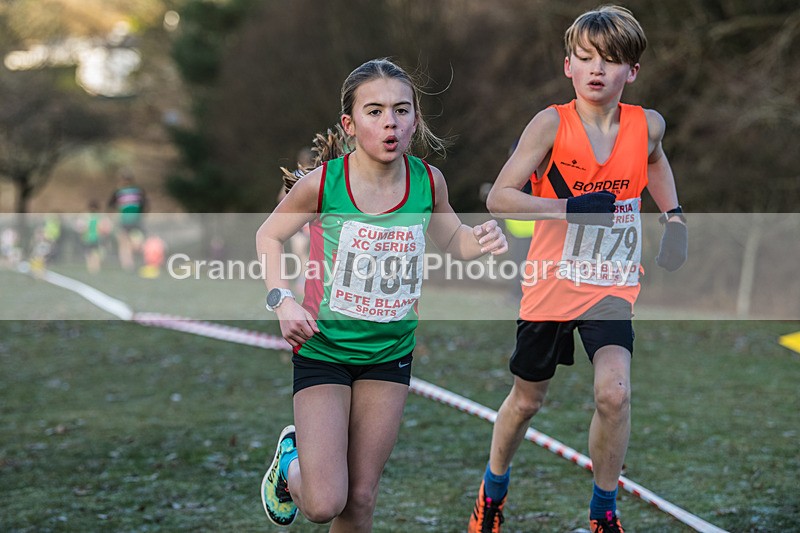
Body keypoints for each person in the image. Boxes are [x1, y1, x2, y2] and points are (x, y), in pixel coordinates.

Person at [256, 58, 508, 532]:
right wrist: (281, 299)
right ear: (350, 125)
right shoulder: (324, 184)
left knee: (361, 497)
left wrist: (484, 239)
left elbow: (455, 240)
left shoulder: (428, 183)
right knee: (325, 502)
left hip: (390, 353)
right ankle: (291, 467)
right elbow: (268, 236)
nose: (390, 122)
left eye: (402, 110)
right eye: (374, 112)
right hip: (325, 350)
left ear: (416, 119)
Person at [467, 6, 687, 533]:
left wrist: (674, 216)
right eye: (585, 58)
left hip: (611, 282)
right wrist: (570, 209)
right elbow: (500, 197)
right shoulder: (550, 124)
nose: (596, 69)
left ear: (630, 72)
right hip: (550, 283)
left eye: (610, 61)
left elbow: (655, 161)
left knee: (615, 393)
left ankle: (602, 512)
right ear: (568, 65)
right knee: (526, 401)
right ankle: (492, 491)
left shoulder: (647, 125)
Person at [108, 169, 147, 271]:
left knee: (131, 244)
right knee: (128, 243)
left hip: (130, 221)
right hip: (130, 221)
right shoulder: (137, 191)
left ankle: (130, 264)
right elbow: (144, 206)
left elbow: (110, 206)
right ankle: (129, 264)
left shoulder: (121, 191)